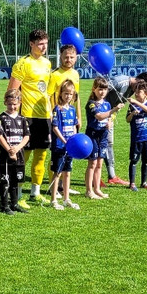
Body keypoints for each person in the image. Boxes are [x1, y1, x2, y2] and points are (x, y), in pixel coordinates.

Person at [7, 29, 52, 209]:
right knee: (22, 157)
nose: (43, 47)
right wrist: (15, 115)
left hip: (45, 116)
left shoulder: (48, 63)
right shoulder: (23, 64)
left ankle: (36, 192)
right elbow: (12, 91)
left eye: (46, 44)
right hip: (27, 116)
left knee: (41, 155)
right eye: (40, 44)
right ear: (31, 44)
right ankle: (17, 194)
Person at [84, 77, 122, 200]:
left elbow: (108, 118)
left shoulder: (107, 104)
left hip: (103, 136)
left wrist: (109, 122)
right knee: (92, 163)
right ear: (94, 89)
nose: (102, 92)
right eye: (100, 89)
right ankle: (89, 190)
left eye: (105, 89)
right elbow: (99, 116)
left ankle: (97, 189)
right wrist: (114, 110)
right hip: (93, 135)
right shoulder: (91, 104)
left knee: (100, 163)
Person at [0, 89, 30, 215]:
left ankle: (14, 203)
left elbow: (26, 136)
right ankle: (4, 205)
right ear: (5, 102)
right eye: (10, 104)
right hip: (6, 155)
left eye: (15, 104)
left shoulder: (22, 119)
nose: (12, 106)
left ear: (20, 103)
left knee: (16, 180)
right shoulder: (1, 118)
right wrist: (10, 150)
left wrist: (18, 148)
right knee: (5, 180)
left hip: (19, 154)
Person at [47, 80, 81, 210]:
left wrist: (73, 140)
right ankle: (54, 199)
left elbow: (74, 126)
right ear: (61, 94)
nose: (68, 96)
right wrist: (64, 140)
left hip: (70, 147)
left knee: (67, 172)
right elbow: (55, 127)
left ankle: (66, 198)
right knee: (58, 172)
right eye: (66, 93)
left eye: (70, 94)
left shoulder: (72, 110)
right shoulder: (57, 109)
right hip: (60, 146)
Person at [126, 79, 147, 191]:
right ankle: (132, 184)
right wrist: (133, 113)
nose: (136, 94)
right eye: (136, 92)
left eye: (139, 92)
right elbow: (128, 120)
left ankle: (144, 182)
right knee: (134, 160)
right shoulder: (132, 106)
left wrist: (136, 103)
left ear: (146, 94)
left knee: (146, 159)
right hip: (136, 138)